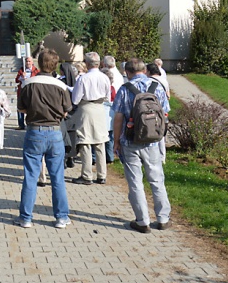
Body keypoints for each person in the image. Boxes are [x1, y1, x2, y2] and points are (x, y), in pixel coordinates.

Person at [113, 58, 172, 233]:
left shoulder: (124, 90)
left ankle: (142, 221)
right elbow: (166, 112)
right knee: (156, 179)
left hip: (130, 141)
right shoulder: (156, 86)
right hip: (152, 141)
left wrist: (116, 141)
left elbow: (118, 118)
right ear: (145, 70)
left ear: (127, 72)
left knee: (135, 182)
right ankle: (163, 218)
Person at [15, 49, 72, 229]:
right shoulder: (60, 86)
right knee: (57, 178)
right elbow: (66, 110)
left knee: (30, 176)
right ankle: (61, 217)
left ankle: (25, 217)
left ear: (39, 63)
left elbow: (21, 108)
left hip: (34, 131)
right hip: (55, 131)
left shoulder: (28, 83)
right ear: (55, 64)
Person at [70, 52, 111, 185]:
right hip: (100, 108)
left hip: (86, 108)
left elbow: (75, 99)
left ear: (87, 64)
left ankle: (87, 175)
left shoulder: (84, 78)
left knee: (85, 141)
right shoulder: (105, 77)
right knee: (100, 142)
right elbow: (108, 96)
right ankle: (102, 174)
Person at [15, 56, 39, 130]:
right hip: (22, 91)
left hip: (32, 92)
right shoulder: (22, 70)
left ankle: (31, 124)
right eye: (27, 61)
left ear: (32, 62)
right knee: (20, 108)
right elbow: (16, 80)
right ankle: (21, 125)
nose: (28, 63)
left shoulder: (36, 71)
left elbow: (37, 79)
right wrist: (22, 76)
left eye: (29, 61)